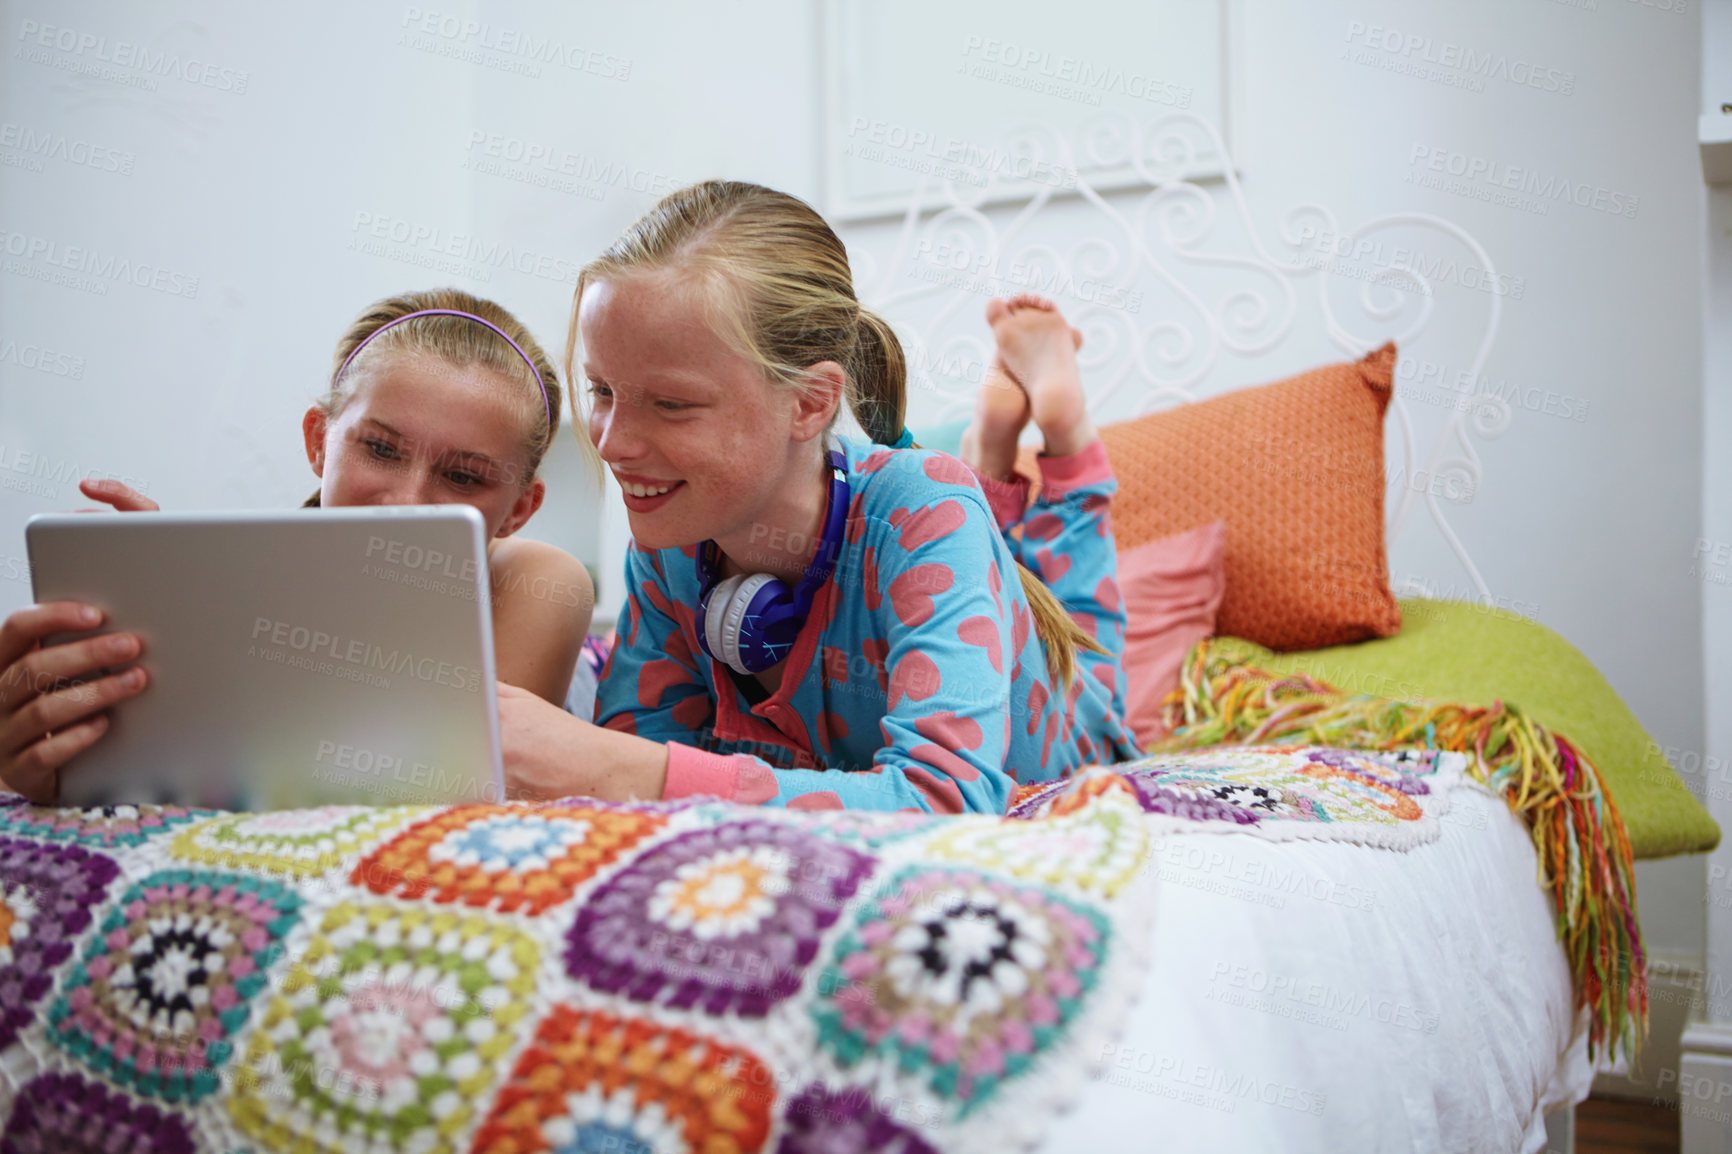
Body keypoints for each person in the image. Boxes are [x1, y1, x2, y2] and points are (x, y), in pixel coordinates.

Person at [495, 180, 1136, 812]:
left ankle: (1061, 424)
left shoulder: (922, 508)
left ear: (809, 402)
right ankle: (992, 443)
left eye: (671, 404)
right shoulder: (672, 535)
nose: (611, 444)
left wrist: (622, 767)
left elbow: (946, 798)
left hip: (1072, 714)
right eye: (603, 390)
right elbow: (640, 761)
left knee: (1081, 634)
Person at [0, 289, 594, 802]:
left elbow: (461, 789)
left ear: (519, 509)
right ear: (318, 442)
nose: (409, 500)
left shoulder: (534, 581)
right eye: (381, 449)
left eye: (463, 476)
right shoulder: (236, 594)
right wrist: (166, 631)